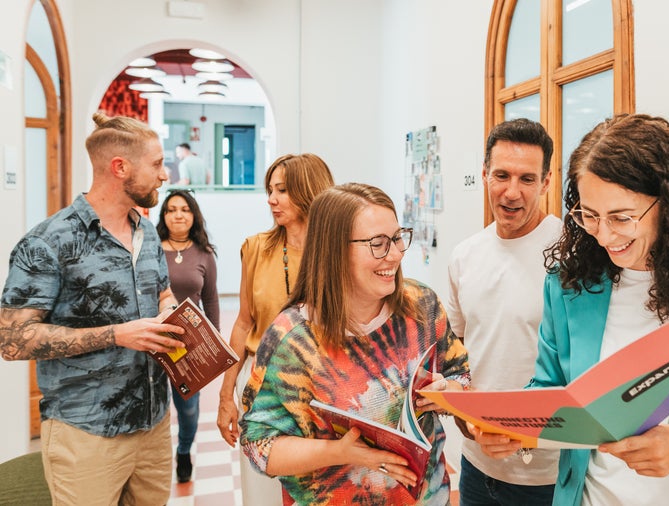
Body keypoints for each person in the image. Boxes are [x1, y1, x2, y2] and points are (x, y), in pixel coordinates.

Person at [473, 113, 669, 505]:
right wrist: (516, 427)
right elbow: (550, 390)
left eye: (621, 218)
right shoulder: (569, 287)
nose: (605, 236)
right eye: (589, 216)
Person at [240, 182, 471, 505]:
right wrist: (339, 452)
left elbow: (461, 373)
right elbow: (257, 446)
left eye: (396, 238)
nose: (395, 254)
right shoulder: (292, 339)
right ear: (333, 250)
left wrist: (450, 392)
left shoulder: (421, 306)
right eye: (378, 243)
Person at [0, 112, 185, 505]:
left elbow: (162, 291)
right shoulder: (47, 242)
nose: (164, 174)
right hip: (84, 432)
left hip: (153, 426)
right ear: (120, 167)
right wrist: (117, 335)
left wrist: (170, 311)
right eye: (155, 164)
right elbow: (11, 340)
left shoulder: (147, 231)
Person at [445, 118, 561, 505]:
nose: (512, 192)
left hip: (552, 474)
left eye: (527, 179)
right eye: (502, 175)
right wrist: (469, 426)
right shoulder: (465, 256)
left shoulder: (572, 254)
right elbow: (455, 356)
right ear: (484, 175)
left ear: (546, 182)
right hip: (477, 469)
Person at [216, 153, 334, 504]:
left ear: (309, 191)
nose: (271, 199)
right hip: (260, 383)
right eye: (270, 190)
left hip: (321, 385)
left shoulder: (337, 252)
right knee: (263, 489)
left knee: (319, 487)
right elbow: (243, 322)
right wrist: (226, 396)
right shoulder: (255, 249)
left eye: (282, 190)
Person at [156, 188, 220, 483]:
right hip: (154, 341)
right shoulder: (152, 249)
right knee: (155, 407)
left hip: (189, 347)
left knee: (189, 410)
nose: (177, 214)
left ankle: (183, 451)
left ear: (193, 215)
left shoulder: (204, 254)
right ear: (164, 216)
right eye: (171, 209)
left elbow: (211, 299)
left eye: (184, 209)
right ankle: (154, 459)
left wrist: (216, 343)